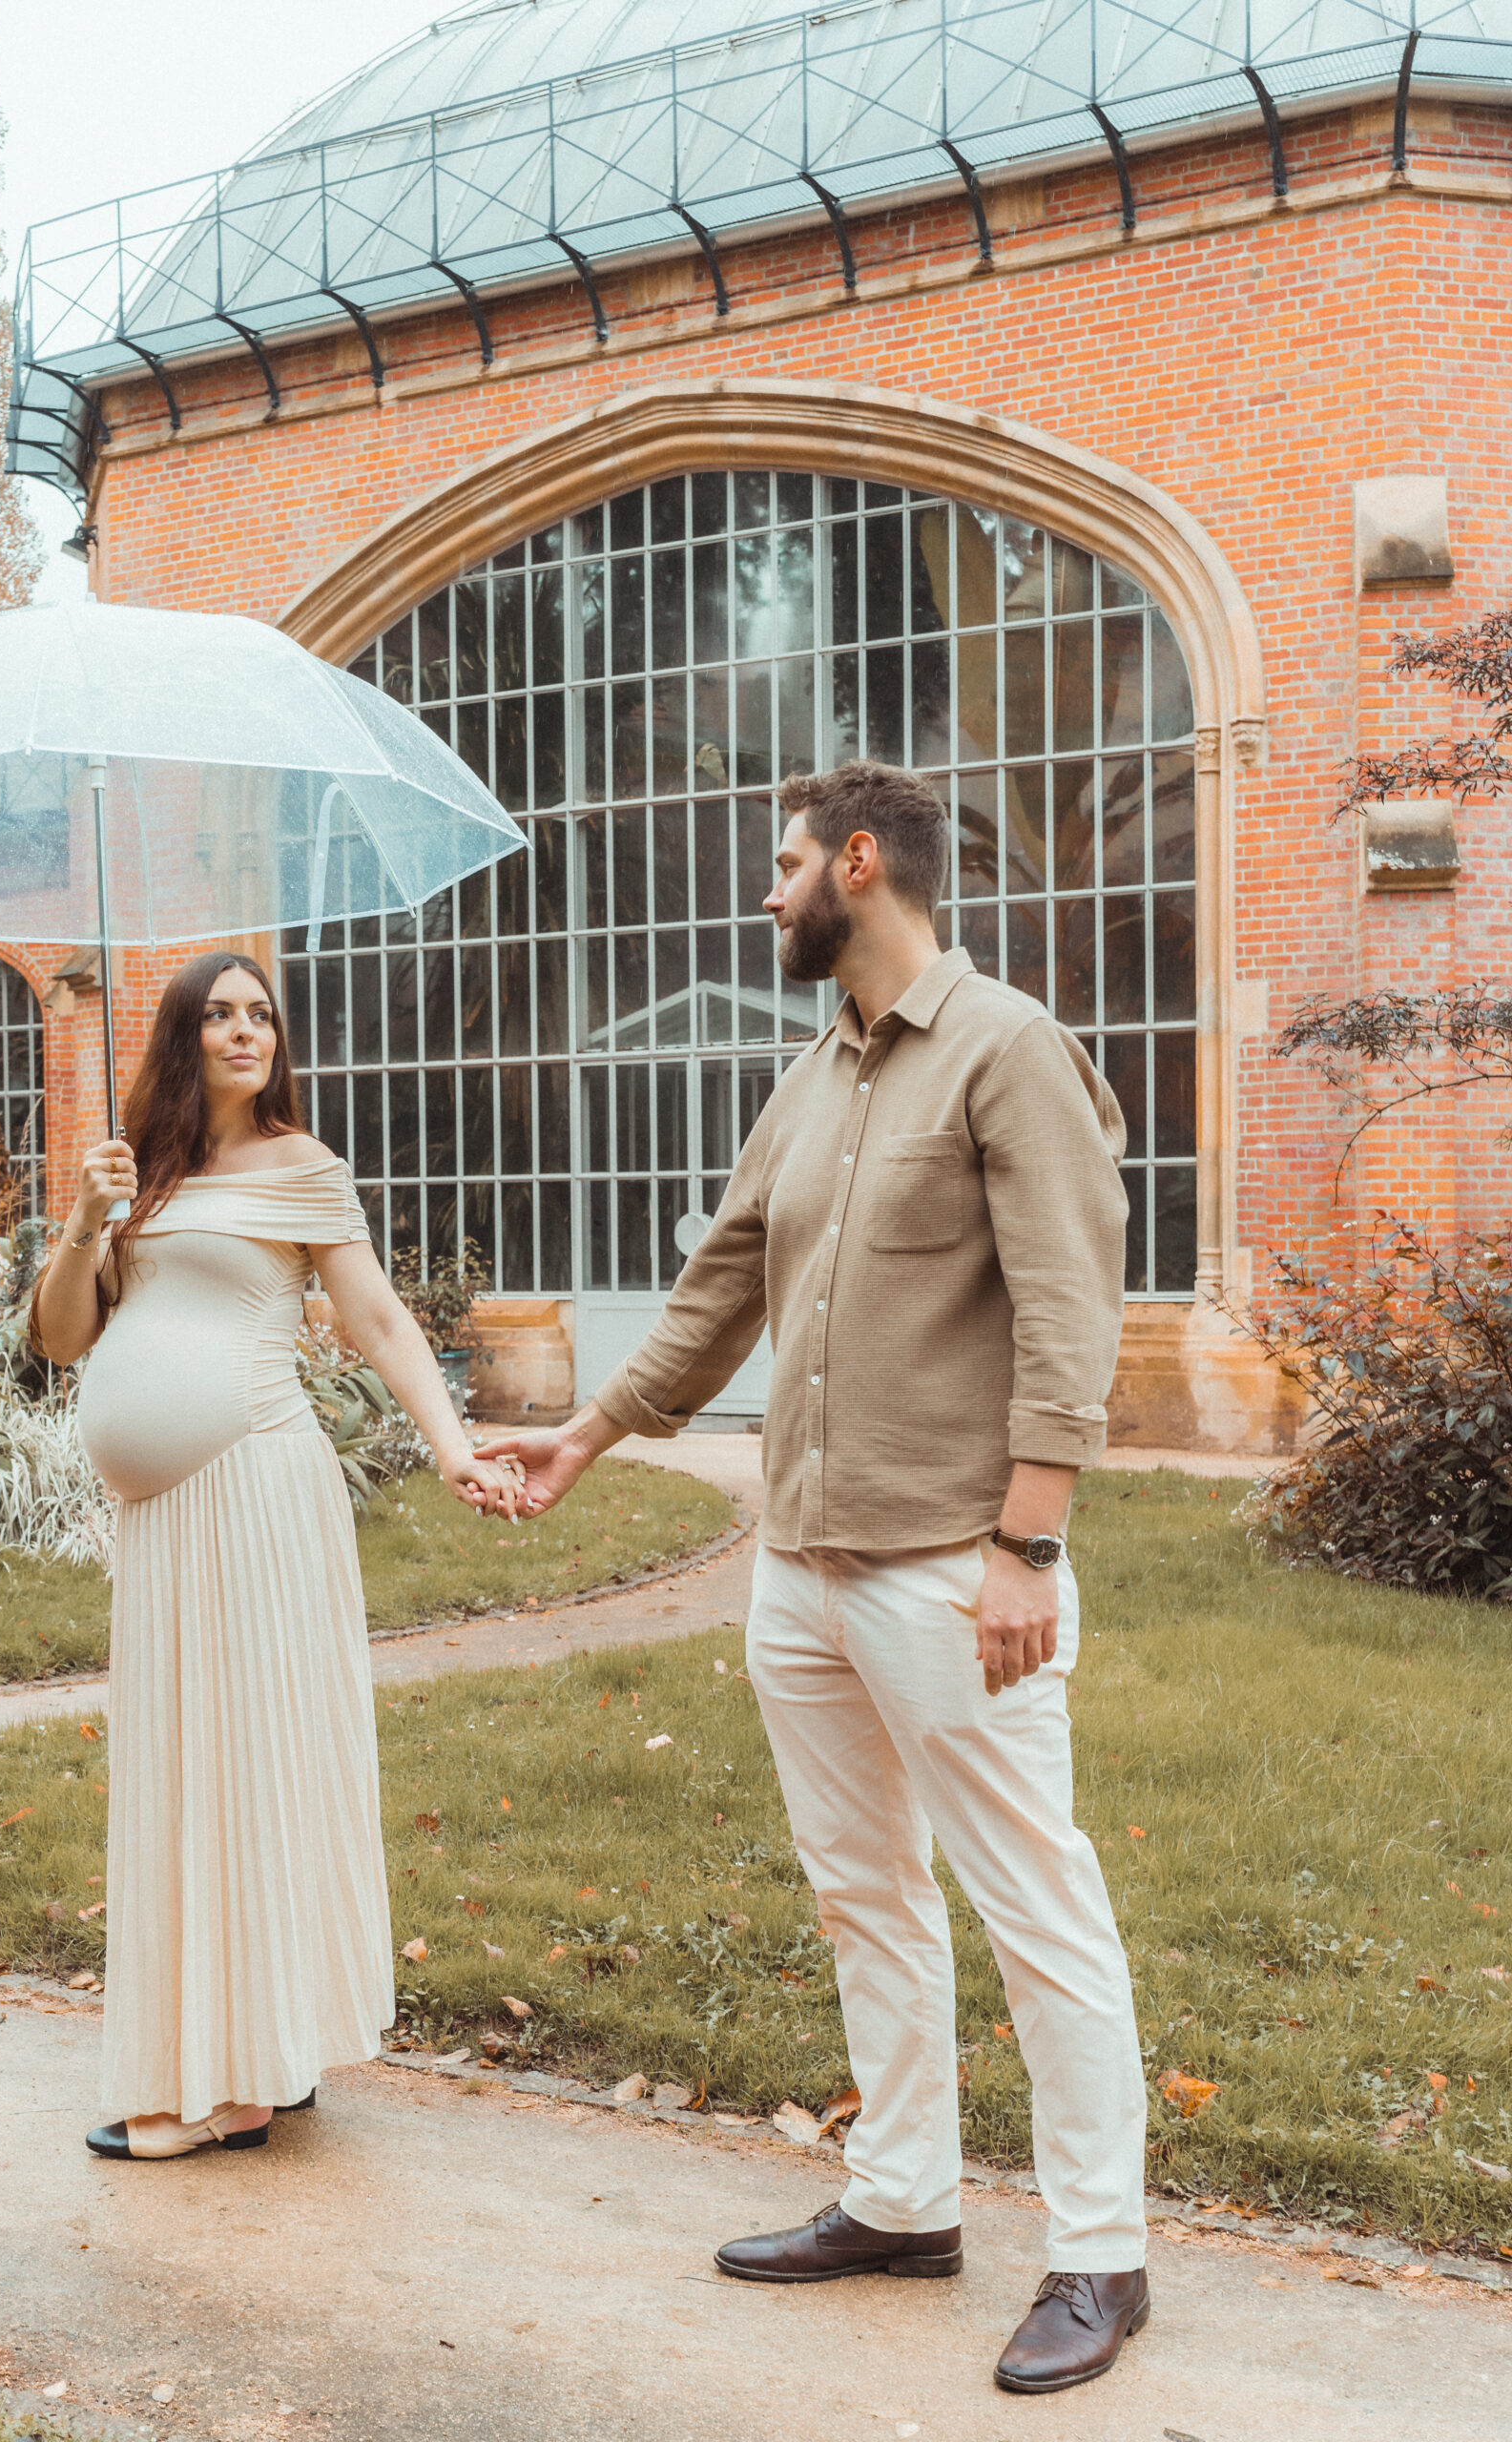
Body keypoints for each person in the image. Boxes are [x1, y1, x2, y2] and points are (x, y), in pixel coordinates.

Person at [477, 761, 1149, 2396]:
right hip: (802, 1574)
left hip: (948, 1570)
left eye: (783, 865)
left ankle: (1099, 2254)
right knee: (862, 1892)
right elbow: (719, 1281)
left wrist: (1025, 1546)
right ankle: (904, 2200)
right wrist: (590, 1435)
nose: (762, 894)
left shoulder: (1006, 1053)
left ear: (862, 863)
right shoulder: (817, 1072)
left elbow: (1069, 1312)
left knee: (1032, 1904)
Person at [31, 950, 519, 2161]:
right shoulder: (138, 1174)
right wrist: (87, 1220)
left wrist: (451, 1444)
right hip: (163, 1521)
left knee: (251, 1756)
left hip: (254, 1487)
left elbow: (379, 1318)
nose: (245, 1030)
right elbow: (60, 1340)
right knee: (181, 1765)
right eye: (219, 1014)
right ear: (182, 1039)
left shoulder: (305, 1168)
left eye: (260, 1014)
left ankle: (245, 2078)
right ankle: (229, 2050)